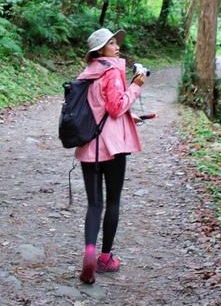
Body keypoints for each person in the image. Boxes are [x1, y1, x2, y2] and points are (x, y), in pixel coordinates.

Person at [74, 27, 147, 284]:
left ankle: (89, 252)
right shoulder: (112, 70)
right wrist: (135, 86)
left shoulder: (86, 74)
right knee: (112, 202)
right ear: (100, 50)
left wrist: (130, 115)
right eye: (112, 43)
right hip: (112, 148)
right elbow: (115, 107)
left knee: (95, 204)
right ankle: (105, 258)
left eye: (116, 43)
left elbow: (98, 108)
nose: (117, 47)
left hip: (88, 147)